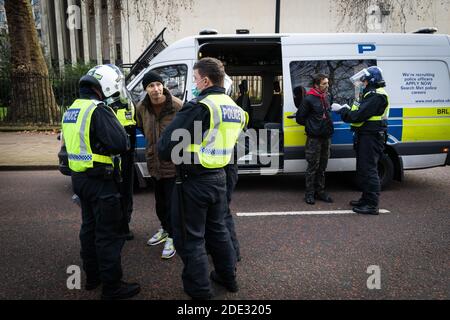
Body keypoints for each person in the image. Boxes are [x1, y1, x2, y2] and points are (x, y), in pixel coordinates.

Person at [158, 57, 248, 299]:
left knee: (191, 239)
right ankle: (228, 278)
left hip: (193, 180)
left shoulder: (200, 106)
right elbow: (243, 146)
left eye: (196, 79)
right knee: (218, 231)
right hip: (220, 177)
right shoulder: (235, 109)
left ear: (206, 80)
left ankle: (200, 293)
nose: (194, 84)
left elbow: (165, 147)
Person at [61, 65, 140, 300]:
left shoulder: (71, 110)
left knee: (89, 228)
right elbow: (119, 144)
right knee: (109, 234)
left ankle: (92, 277)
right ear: (104, 86)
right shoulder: (98, 109)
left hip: (80, 179)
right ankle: (112, 286)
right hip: (101, 181)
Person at [136, 71, 182, 259]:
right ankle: (164, 229)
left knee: (173, 204)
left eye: (158, 84)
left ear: (163, 85)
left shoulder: (177, 106)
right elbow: (141, 127)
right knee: (160, 203)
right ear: (145, 89)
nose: (155, 89)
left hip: (173, 164)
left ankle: (173, 236)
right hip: (154, 164)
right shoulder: (141, 107)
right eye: (150, 86)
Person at [331, 66, 390, 215]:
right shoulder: (369, 93)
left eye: (363, 81)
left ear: (371, 81)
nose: (361, 83)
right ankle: (365, 198)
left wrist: (341, 110)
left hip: (371, 136)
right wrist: (347, 108)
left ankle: (371, 205)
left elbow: (356, 116)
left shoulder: (377, 96)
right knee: (364, 169)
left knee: (370, 170)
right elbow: (357, 112)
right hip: (366, 135)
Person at [105, 65, 137, 241]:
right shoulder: (104, 103)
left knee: (126, 192)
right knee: (114, 193)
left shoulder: (126, 100)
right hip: (112, 157)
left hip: (127, 154)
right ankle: (116, 226)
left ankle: (125, 225)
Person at [296, 74, 334, 205]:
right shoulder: (309, 99)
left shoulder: (327, 97)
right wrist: (312, 126)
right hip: (314, 139)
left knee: (323, 166)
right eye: (324, 84)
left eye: (327, 83)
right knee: (313, 166)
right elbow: (300, 118)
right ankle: (309, 194)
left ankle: (320, 191)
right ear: (316, 85)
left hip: (326, 137)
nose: (327, 86)